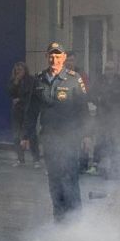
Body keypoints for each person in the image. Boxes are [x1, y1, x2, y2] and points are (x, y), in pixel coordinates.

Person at [22, 42, 90, 220]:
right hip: (49, 138)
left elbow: (83, 110)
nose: (55, 59)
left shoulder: (74, 79)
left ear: (64, 58)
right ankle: (59, 220)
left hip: (70, 137)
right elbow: (31, 110)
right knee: (54, 179)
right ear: (46, 57)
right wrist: (26, 135)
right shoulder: (38, 79)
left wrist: (87, 136)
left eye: (58, 56)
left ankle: (75, 222)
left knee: (70, 178)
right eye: (52, 56)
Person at [7, 61, 40, 167]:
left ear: (25, 70)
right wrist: (16, 81)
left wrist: (19, 99)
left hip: (29, 110)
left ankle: (36, 159)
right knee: (16, 135)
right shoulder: (14, 80)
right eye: (17, 70)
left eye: (20, 70)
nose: (18, 72)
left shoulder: (31, 80)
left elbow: (30, 95)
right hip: (17, 111)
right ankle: (20, 159)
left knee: (31, 135)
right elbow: (9, 92)